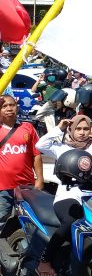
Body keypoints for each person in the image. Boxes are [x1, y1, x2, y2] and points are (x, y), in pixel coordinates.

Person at [35, 115, 92, 275]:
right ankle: (44, 260)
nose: (82, 132)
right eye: (78, 128)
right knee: (70, 222)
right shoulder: (62, 147)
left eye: (85, 129)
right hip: (68, 196)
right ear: (71, 129)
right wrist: (59, 128)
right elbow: (40, 144)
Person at [0, 95, 43, 235]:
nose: (8, 109)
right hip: (3, 187)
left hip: (26, 185)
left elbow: (36, 155)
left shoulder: (28, 127)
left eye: (11, 105)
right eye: (4, 106)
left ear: (17, 107)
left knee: (30, 221)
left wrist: (40, 179)